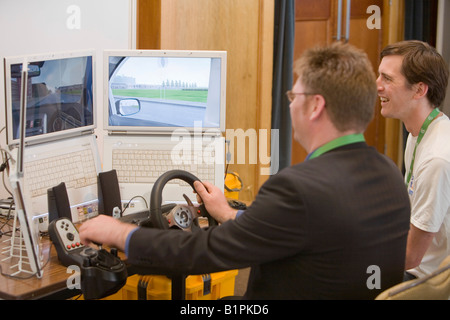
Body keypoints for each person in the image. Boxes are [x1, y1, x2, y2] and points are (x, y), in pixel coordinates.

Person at [79, 42, 410, 299]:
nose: (291, 103)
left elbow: (204, 251)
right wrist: (230, 214)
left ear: (315, 105)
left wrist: (120, 233)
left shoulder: (297, 189)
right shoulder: (389, 173)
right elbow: (306, 229)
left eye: (294, 95)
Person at [377, 40, 450, 280]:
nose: (377, 86)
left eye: (387, 79)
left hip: (427, 281)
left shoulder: (437, 158)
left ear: (419, 90)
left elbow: (410, 256)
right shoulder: (418, 133)